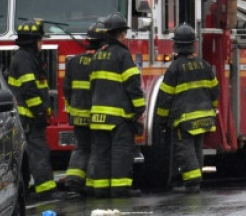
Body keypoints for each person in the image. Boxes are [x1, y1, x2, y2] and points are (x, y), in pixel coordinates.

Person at [155, 24, 219, 194]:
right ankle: (195, 179)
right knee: (197, 147)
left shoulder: (174, 68)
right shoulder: (204, 65)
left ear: (176, 45)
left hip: (184, 119)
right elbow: (215, 90)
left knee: (185, 148)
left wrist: (162, 120)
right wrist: (212, 109)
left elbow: (165, 97)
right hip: (205, 116)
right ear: (193, 44)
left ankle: (192, 183)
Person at [10, 19, 69, 201]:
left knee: (28, 153)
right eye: (40, 40)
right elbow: (29, 90)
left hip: (26, 116)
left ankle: (26, 189)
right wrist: (39, 112)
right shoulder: (25, 60)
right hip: (29, 117)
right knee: (39, 152)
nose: (42, 44)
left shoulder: (26, 58)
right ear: (33, 41)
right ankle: (46, 190)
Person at [88, 12, 145, 198]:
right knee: (121, 151)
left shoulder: (97, 55)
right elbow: (132, 85)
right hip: (118, 116)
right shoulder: (122, 55)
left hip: (97, 115)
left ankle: (101, 189)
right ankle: (120, 189)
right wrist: (139, 109)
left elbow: (92, 85)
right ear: (122, 34)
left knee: (101, 153)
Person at [62, 19, 107, 196]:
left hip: (77, 114)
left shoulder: (73, 62)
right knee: (96, 148)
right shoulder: (102, 61)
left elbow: (67, 89)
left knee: (81, 147)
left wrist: (71, 110)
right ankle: (91, 183)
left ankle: (73, 178)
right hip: (95, 114)